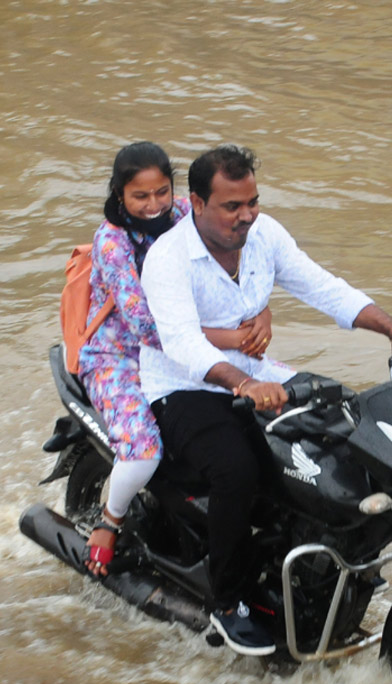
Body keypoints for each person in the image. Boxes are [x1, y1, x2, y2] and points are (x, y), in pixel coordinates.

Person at [140, 144, 392, 656]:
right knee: (237, 470)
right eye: (232, 206)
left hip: (261, 375)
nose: (247, 215)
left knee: (349, 435)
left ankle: (325, 568)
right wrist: (242, 384)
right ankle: (228, 602)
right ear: (196, 203)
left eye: (252, 202)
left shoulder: (265, 235)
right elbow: (183, 345)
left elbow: (324, 287)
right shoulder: (169, 258)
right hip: (185, 388)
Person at [78, 141, 271, 577]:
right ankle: (111, 521)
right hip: (120, 357)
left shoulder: (189, 213)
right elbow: (149, 327)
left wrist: (261, 310)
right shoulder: (113, 243)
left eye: (161, 192)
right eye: (140, 196)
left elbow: (246, 261)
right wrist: (234, 338)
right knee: (145, 450)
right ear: (119, 195)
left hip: (193, 346)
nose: (153, 205)